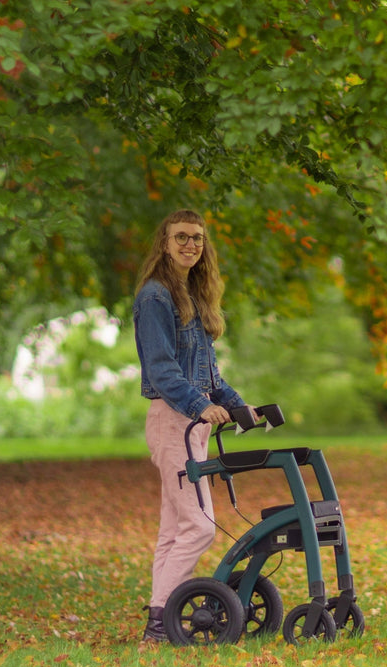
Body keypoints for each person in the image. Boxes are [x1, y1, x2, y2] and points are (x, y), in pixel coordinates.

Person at [132, 209, 256, 643]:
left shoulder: (193, 295)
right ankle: (161, 622)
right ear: (164, 243)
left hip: (193, 423)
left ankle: (156, 624)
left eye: (198, 239)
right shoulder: (155, 297)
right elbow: (163, 370)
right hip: (174, 422)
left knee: (174, 528)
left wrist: (241, 408)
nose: (190, 245)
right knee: (200, 526)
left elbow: (210, 376)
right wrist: (199, 406)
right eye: (181, 237)